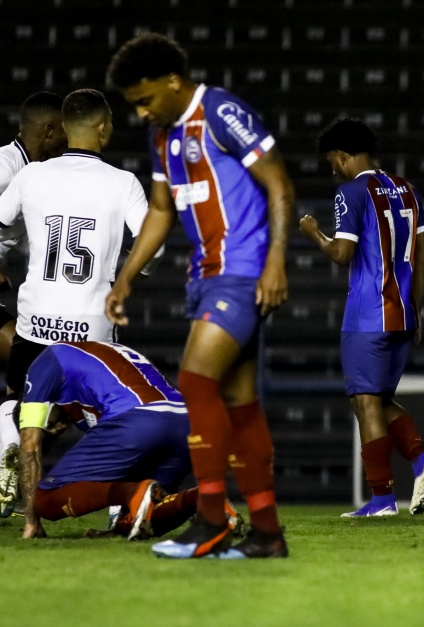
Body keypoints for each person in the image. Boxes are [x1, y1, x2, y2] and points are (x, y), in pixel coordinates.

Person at [105, 33, 292, 559]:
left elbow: (278, 183)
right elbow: (162, 209)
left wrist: (276, 260)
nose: (141, 112)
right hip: (205, 274)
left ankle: (209, 519)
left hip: (244, 268)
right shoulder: (163, 135)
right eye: (133, 105)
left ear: (172, 81)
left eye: (145, 100)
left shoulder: (220, 110)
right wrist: (126, 276)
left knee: (194, 380)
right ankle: (267, 533)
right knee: (239, 403)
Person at [0, 90, 151, 517]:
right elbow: (151, 249)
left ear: (63, 128)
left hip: (35, 327)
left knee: (17, 405)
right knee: (110, 415)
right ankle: (121, 507)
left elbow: (1, 222)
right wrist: (128, 275)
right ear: (103, 128)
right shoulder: (124, 183)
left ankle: (5, 488)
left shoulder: (31, 177)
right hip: (92, 330)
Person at [299, 118, 424, 517]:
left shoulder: (351, 190)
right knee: (377, 400)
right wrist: (417, 305)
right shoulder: (407, 188)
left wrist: (313, 233)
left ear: (343, 156)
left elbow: (343, 254)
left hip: (367, 314)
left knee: (364, 402)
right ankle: (420, 462)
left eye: (333, 160)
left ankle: (383, 498)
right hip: (401, 315)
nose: (333, 168)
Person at [17, 341, 243, 540]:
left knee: (44, 500)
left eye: (50, 426)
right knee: (144, 516)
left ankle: (131, 493)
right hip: (187, 421)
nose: (56, 429)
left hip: (140, 418)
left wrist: (31, 521)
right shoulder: (95, 361)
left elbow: (29, 443)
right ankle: (202, 499)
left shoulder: (46, 363)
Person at [0, 91, 68, 517]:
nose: (69, 138)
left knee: (36, 392)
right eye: (64, 130)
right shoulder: (5, 168)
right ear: (48, 131)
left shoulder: (35, 174)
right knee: (36, 387)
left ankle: (8, 474)